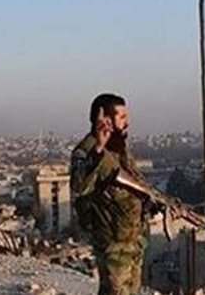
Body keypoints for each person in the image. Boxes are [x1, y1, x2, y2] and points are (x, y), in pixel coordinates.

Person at [70, 93, 150, 295]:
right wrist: (98, 149)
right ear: (105, 119)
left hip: (131, 241)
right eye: (121, 117)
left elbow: (133, 183)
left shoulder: (117, 148)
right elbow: (79, 186)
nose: (127, 122)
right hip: (113, 245)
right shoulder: (87, 150)